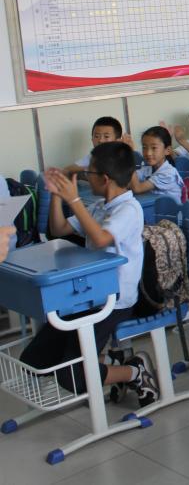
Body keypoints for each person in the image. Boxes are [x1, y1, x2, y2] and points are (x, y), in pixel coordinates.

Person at [21, 143, 158, 403]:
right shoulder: (98, 206)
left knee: (73, 377)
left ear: (104, 179)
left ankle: (134, 371)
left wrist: (74, 200)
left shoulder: (129, 209)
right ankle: (110, 362)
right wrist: (58, 196)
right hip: (85, 295)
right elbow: (59, 229)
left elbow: (101, 238)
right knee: (35, 361)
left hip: (113, 301)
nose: (85, 177)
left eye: (89, 173)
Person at [131, 126, 183, 199]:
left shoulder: (168, 174)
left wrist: (129, 157)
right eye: (144, 147)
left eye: (154, 148)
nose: (148, 153)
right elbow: (128, 182)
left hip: (169, 207)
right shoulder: (147, 170)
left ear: (167, 150)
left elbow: (137, 189)